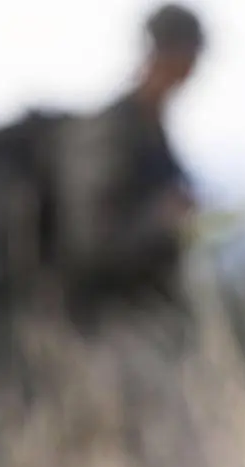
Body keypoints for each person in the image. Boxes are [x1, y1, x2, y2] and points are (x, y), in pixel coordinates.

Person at [52, 2, 206, 334]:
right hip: (104, 328)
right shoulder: (111, 134)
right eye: (187, 60)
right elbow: (90, 245)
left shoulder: (154, 130)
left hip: (149, 320)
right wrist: (161, 222)